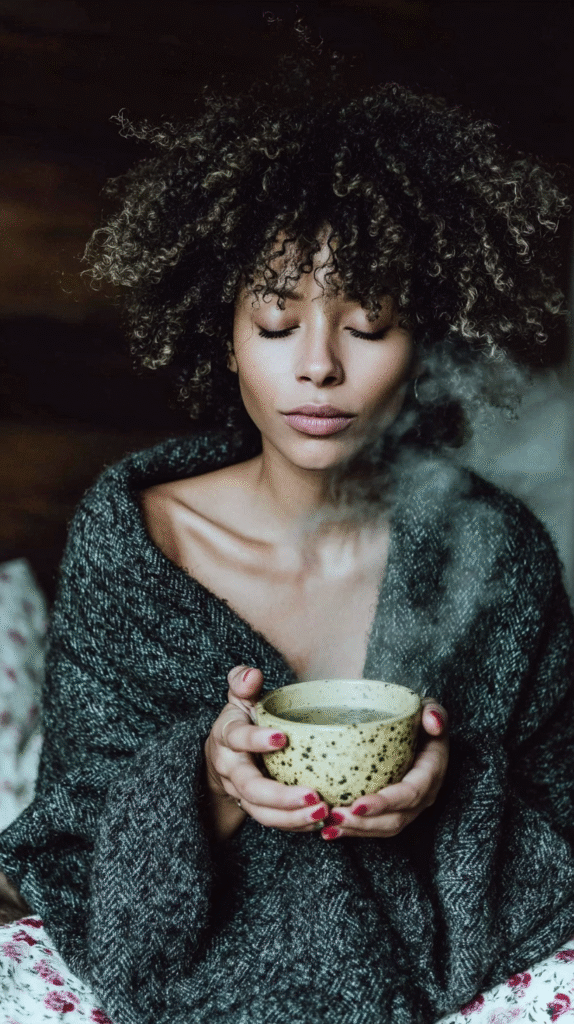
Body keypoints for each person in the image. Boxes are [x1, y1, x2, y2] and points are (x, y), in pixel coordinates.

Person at [0, 52, 573, 1024]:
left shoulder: (494, 550)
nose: (317, 366)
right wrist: (209, 781)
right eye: (275, 321)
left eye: (368, 322)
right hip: (185, 956)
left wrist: (448, 788)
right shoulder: (138, 535)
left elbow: (560, 815)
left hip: (441, 960)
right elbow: (70, 840)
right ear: (225, 337)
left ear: (422, 341)